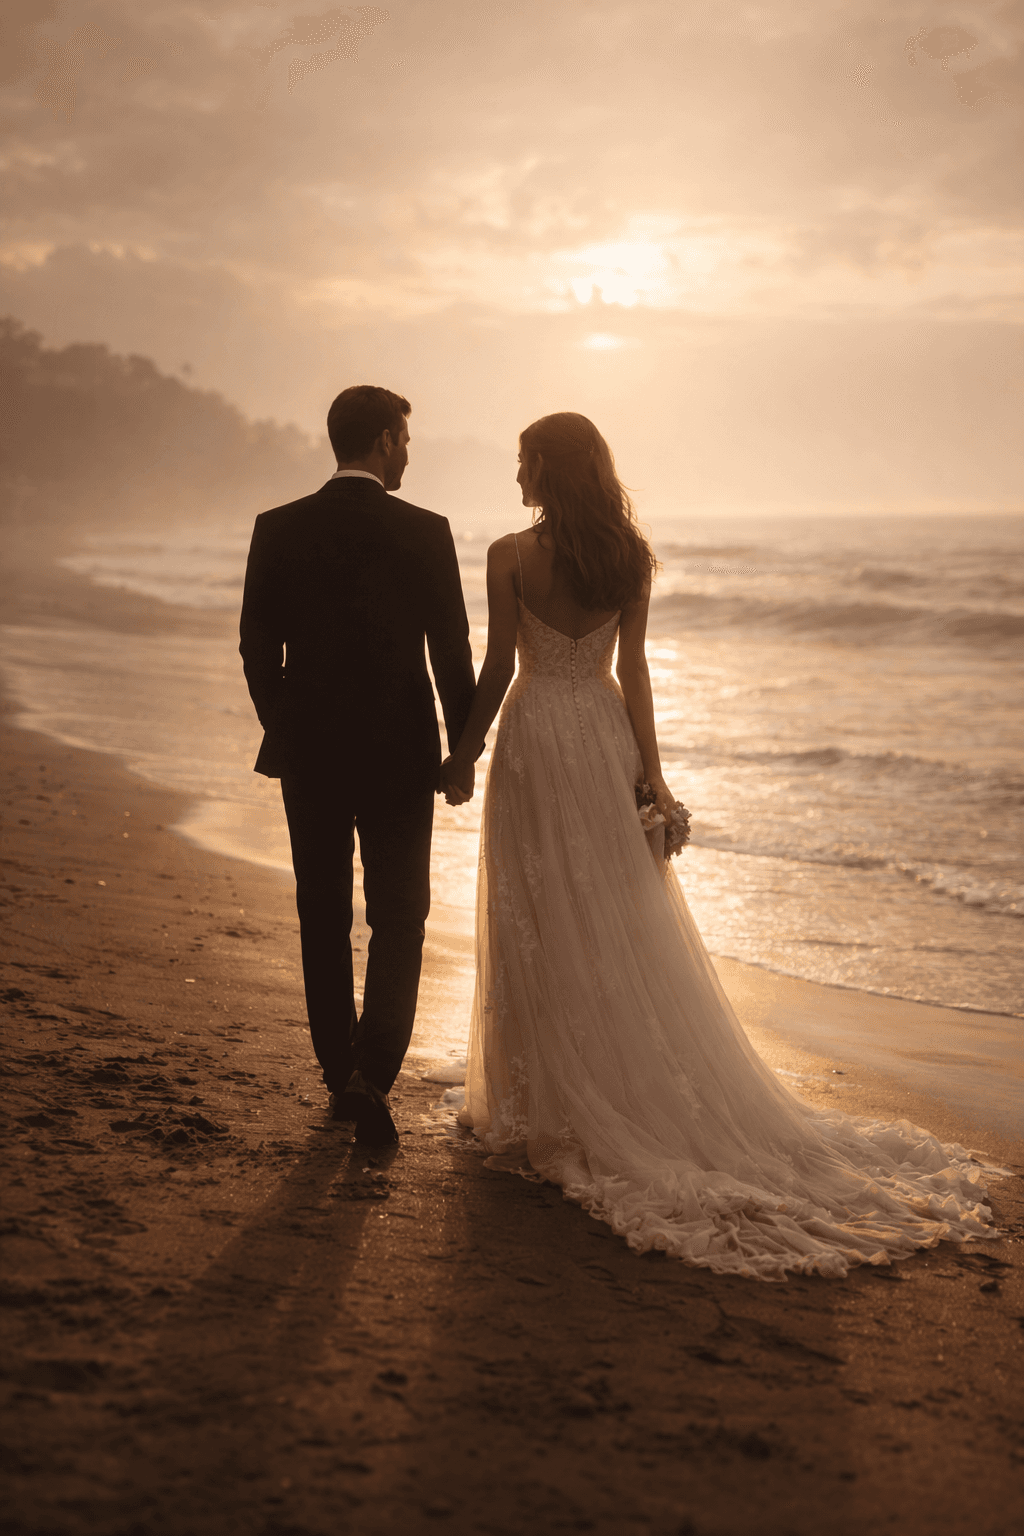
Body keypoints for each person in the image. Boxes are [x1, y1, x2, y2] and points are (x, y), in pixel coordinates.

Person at [441, 411, 1004, 1280]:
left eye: (523, 461)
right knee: (611, 917)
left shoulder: (510, 555)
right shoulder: (627, 556)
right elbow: (632, 673)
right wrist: (649, 779)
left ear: (548, 468)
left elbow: (493, 668)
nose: (515, 475)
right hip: (598, 737)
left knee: (542, 910)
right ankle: (588, 1083)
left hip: (532, 736)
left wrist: (464, 753)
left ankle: (544, 1095)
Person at [240, 386, 477, 1146]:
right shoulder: (426, 530)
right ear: (381, 440)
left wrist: (286, 723)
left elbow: (255, 649)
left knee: (322, 911)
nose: (408, 451)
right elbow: (451, 656)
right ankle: (372, 1073)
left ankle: (337, 1068)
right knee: (399, 916)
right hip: (400, 756)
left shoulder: (278, 528)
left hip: (309, 750)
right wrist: (460, 752)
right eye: (403, 438)